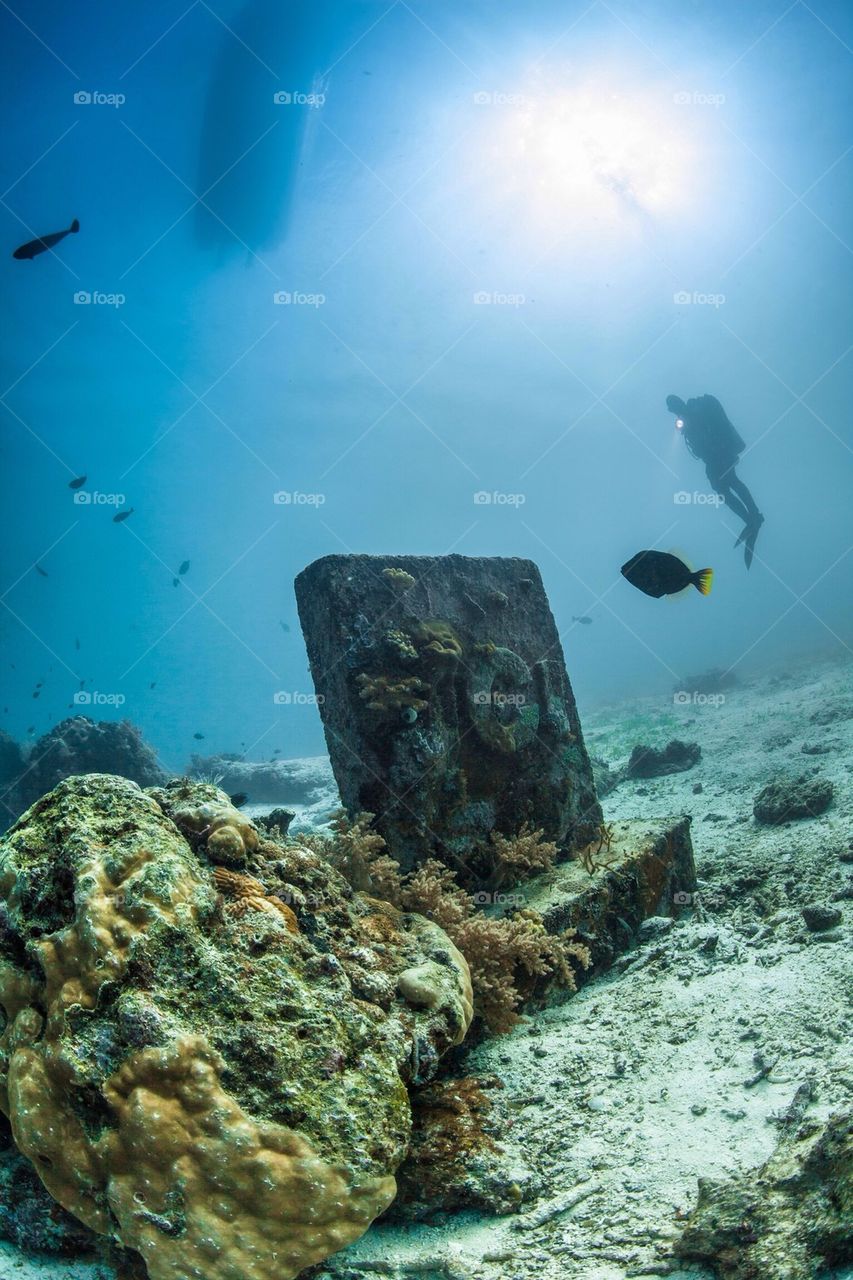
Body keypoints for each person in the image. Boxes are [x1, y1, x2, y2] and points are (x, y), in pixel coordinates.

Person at [667, 393, 764, 568]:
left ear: (678, 403)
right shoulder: (686, 418)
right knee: (725, 488)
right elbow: (697, 447)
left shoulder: (695, 409)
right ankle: (752, 518)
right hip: (713, 458)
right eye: (672, 410)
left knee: (730, 484)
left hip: (720, 453)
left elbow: (709, 433)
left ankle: (753, 518)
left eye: (674, 407)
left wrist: (720, 449)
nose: (674, 412)